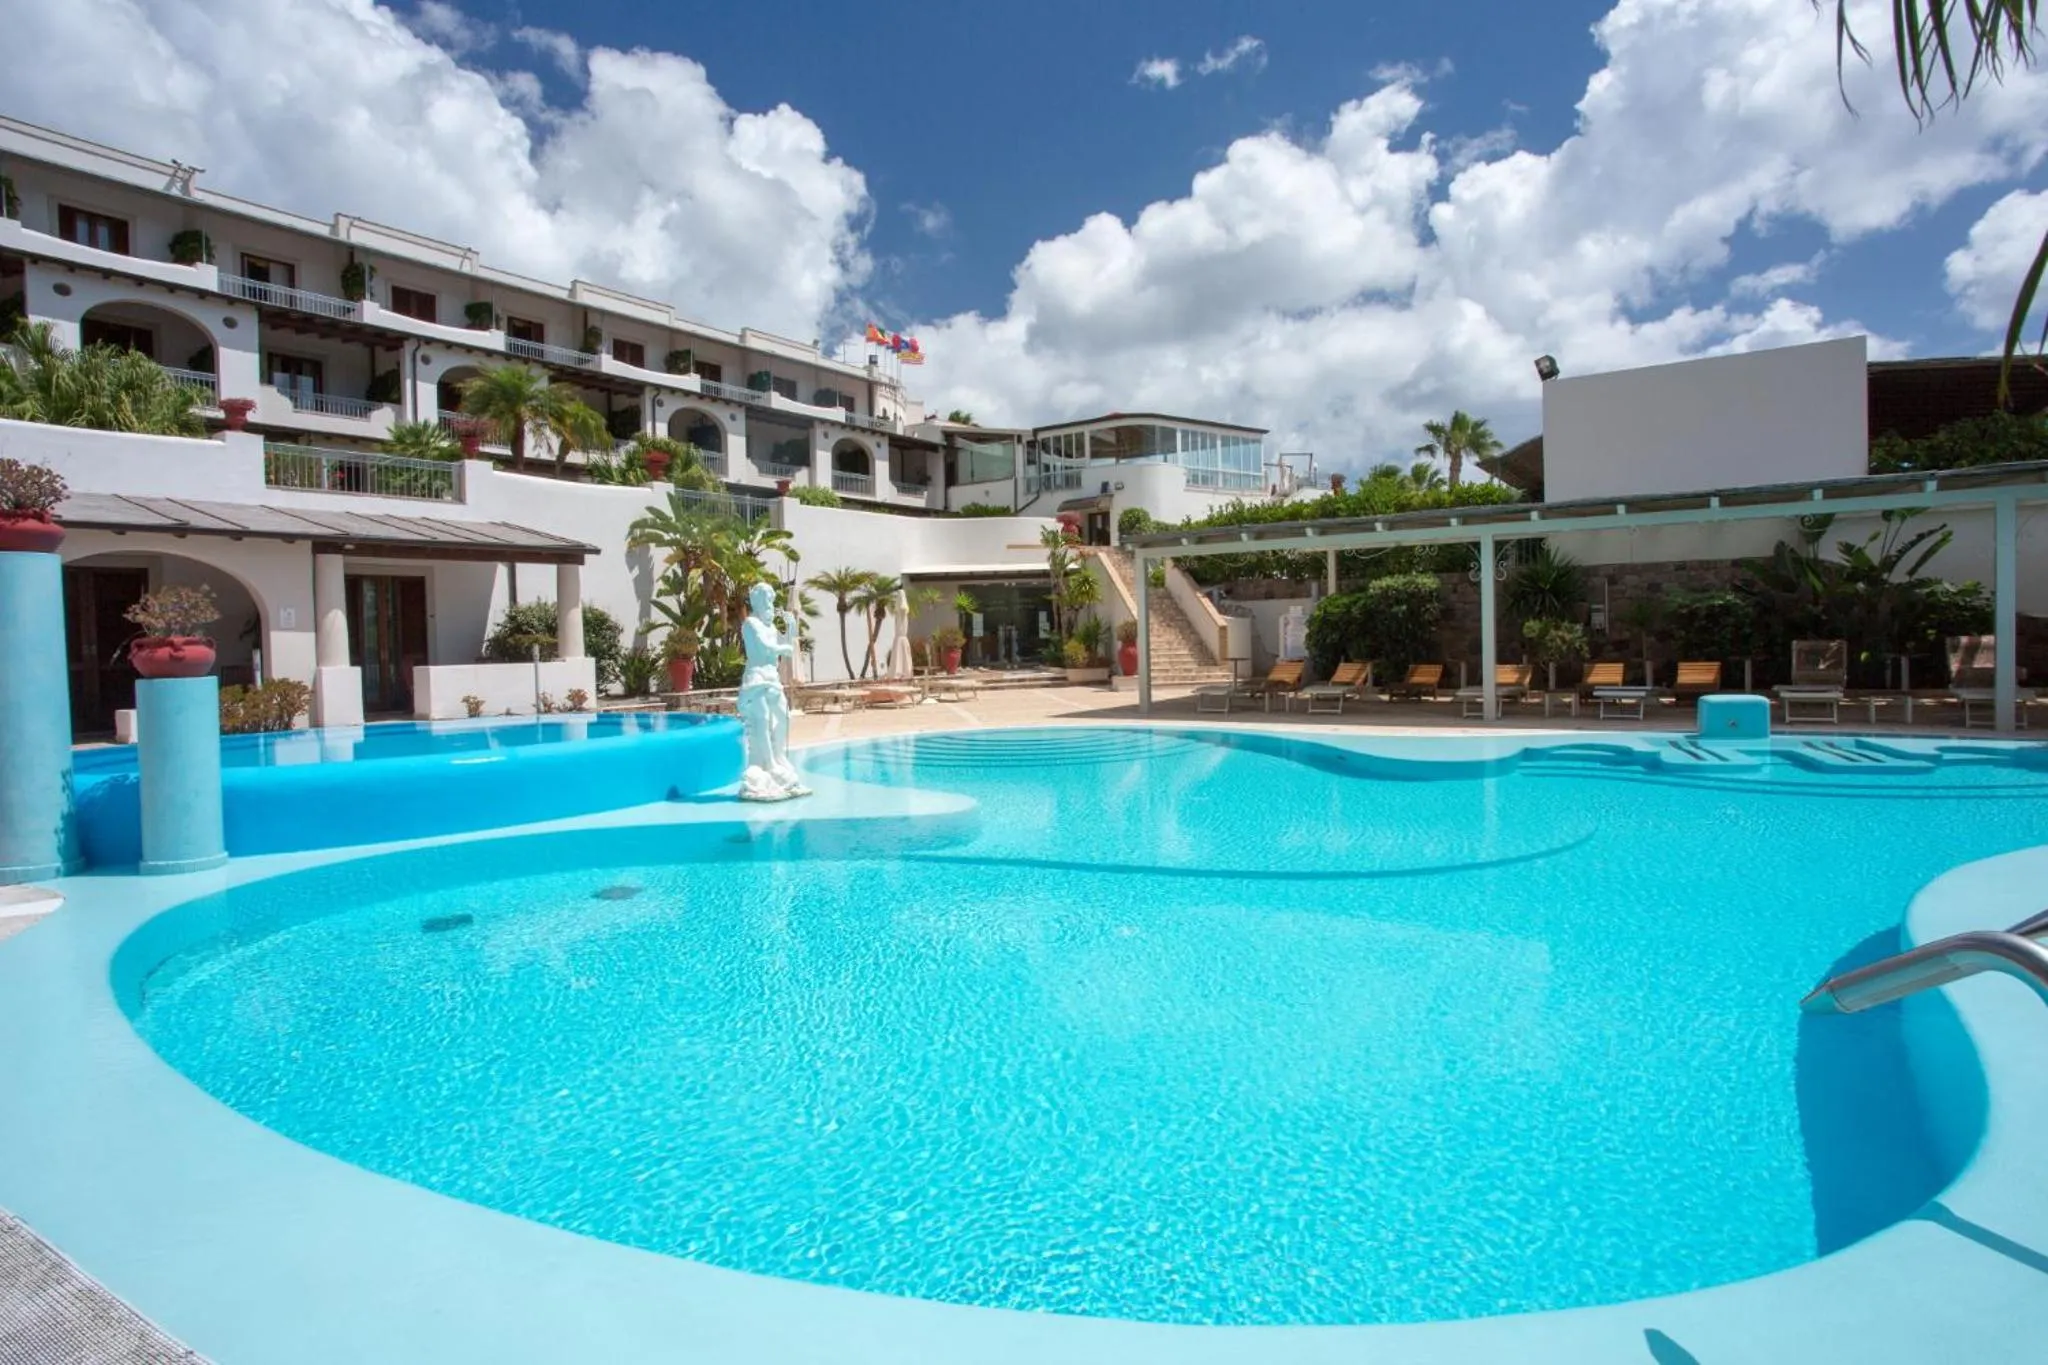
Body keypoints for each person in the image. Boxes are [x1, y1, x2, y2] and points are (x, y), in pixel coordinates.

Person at [737, 582, 810, 801]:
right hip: (756, 678)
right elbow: (766, 649)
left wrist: (791, 630)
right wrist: (783, 646)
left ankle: (778, 757)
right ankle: (767, 764)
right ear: (757, 601)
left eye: (771, 598)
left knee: (783, 716)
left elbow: (785, 651)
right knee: (763, 719)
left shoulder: (769, 626)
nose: (770, 603)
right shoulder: (751, 624)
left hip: (772, 678)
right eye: (766, 599)